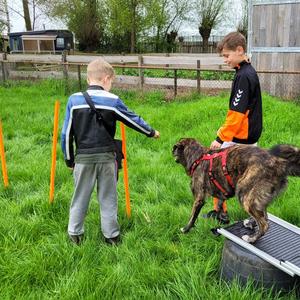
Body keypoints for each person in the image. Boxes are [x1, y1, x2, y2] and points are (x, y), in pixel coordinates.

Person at [61, 58, 160, 245]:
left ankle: (75, 235)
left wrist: (69, 160)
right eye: (112, 81)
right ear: (106, 78)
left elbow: (66, 134)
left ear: (89, 79)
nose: (111, 84)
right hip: (107, 158)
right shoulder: (112, 100)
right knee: (108, 198)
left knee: (80, 197)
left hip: (82, 159)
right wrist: (151, 132)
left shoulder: (73, 100)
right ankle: (111, 237)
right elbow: (132, 119)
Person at [207, 32, 263, 224]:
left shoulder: (244, 76)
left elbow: (236, 115)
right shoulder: (246, 71)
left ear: (240, 50)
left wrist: (220, 138)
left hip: (239, 138)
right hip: (248, 137)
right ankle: (253, 218)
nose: (225, 60)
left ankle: (220, 213)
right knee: (247, 179)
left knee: (217, 173)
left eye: (226, 55)